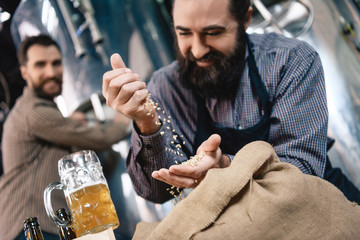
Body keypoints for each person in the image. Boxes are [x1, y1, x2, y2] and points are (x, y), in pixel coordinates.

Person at [102, 0, 360, 204]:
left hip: (321, 212)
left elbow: (302, 173)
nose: (198, 49)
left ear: (245, 20)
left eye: (212, 33)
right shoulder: (165, 87)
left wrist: (228, 166)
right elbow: (157, 192)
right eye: (184, 34)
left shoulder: (289, 61)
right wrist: (147, 122)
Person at [0, 34, 130, 240]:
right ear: (24, 72)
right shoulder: (32, 112)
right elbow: (100, 138)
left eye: (56, 63)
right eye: (40, 65)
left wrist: (67, 121)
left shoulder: (40, 111)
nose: (51, 72)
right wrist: (125, 117)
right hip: (29, 228)